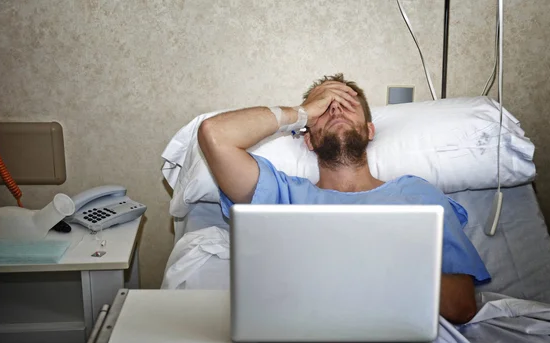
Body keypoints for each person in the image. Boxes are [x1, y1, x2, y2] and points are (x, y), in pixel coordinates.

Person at [198, 73, 490, 325]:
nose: (335, 110)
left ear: (370, 130)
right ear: (308, 138)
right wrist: (301, 112)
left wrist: (373, 266)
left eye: (348, 104)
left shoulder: (418, 195)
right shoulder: (283, 195)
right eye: (324, 107)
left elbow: (461, 306)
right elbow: (215, 135)